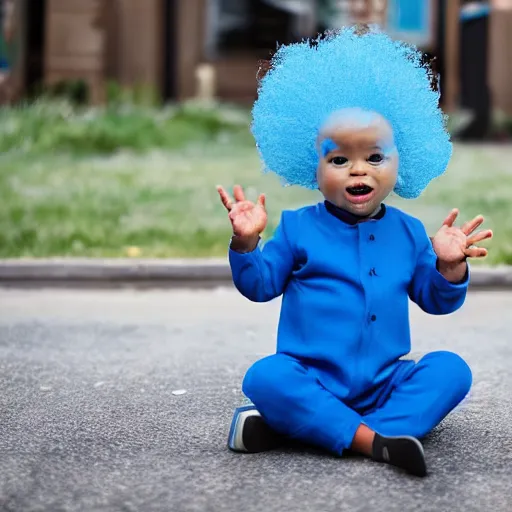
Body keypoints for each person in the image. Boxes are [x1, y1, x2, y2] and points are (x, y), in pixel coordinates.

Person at [216, 25, 492, 477]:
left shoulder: (407, 231)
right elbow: (259, 285)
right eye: (338, 159)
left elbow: (435, 300)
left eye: (375, 158)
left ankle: (311, 428)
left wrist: (448, 264)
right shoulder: (298, 227)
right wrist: (246, 243)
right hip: (312, 376)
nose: (357, 170)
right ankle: (376, 440)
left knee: (451, 369)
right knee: (265, 377)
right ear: (314, 166)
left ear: (402, 160)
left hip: (386, 382)